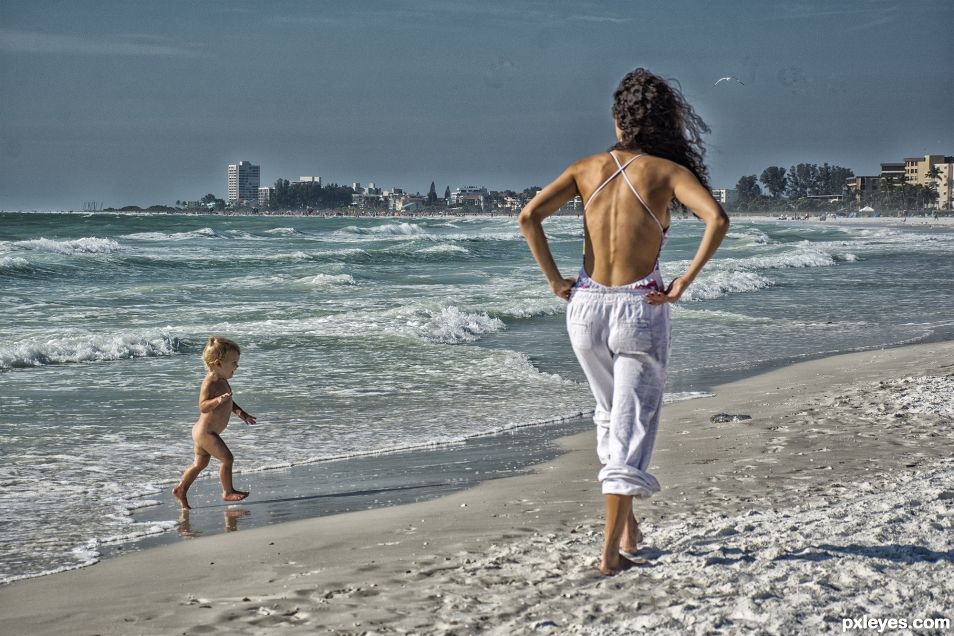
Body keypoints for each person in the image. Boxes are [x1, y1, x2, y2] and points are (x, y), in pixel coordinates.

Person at [519, 68, 729, 575]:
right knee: (631, 429)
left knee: (611, 415)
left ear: (618, 120)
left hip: (586, 307)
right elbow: (717, 220)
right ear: (660, 124)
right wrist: (683, 282)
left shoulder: (584, 168)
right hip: (638, 308)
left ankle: (630, 532)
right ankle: (611, 555)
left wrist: (554, 280)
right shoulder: (666, 173)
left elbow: (528, 217)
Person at [173, 336, 257, 509]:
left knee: (200, 464)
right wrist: (218, 400)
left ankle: (181, 489)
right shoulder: (209, 382)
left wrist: (241, 413)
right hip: (206, 432)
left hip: (205, 432)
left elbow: (229, 401)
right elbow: (203, 406)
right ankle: (227, 492)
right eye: (233, 363)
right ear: (218, 364)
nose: (237, 366)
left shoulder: (223, 380)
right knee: (227, 459)